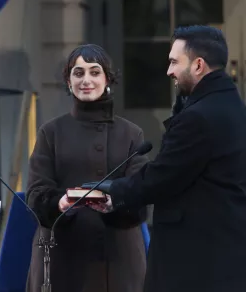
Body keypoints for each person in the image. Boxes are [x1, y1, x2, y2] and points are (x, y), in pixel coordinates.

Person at [82, 25, 246, 292]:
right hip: (223, 258)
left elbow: (164, 176)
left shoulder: (198, 117)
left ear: (198, 65)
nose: (169, 71)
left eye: (173, 62)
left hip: (195, 264)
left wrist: (114, 193)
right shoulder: (233, 107)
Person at [25, 44, 149, 292]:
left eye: (95, 72)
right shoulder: (50, 132)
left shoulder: (132, 133)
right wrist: (60, 204)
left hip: (117, 258)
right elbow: (35, 194)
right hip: (63, 257)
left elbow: (141, 196)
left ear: (108, 79)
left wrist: (115, 204)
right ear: (69, 82)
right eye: (78, 73)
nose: (86, 80)